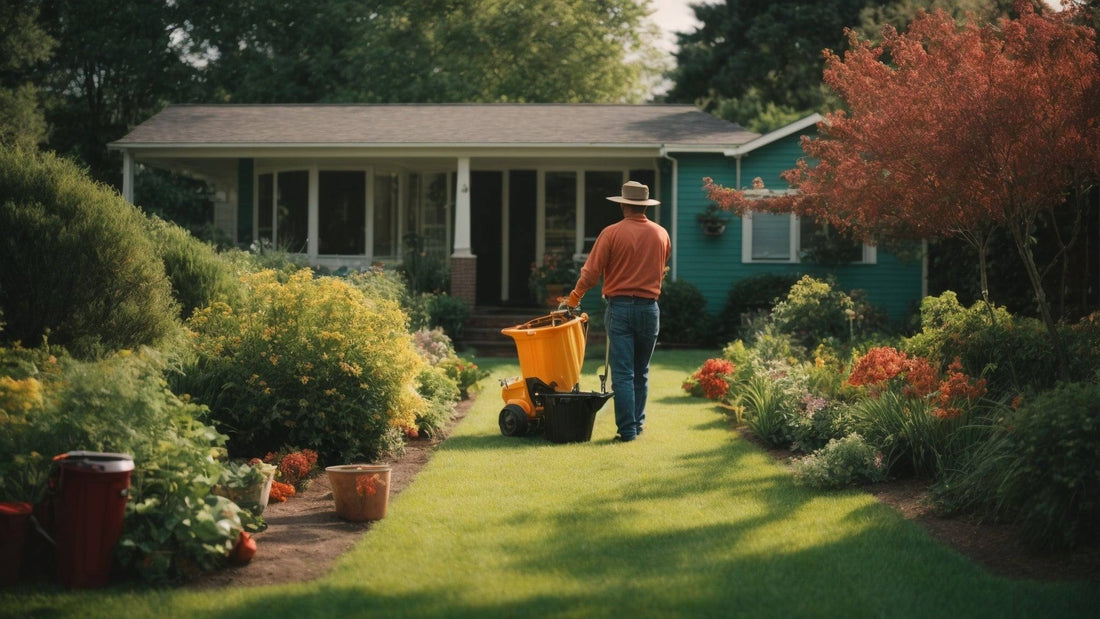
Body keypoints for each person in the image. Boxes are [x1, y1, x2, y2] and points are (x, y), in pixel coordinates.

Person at [559, 180, 671, 442]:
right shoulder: (662, 234)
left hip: (620, 307)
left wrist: (574, 298)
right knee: (640, 372)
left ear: (623, 205)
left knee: (622, 372)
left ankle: (628, 431)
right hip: (649, 308)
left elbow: (590, 274)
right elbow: (661, 268)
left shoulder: (611, 233)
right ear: (644, 206)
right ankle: (637, 426)